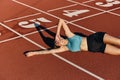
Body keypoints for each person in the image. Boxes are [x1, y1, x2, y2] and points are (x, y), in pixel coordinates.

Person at [24, 19, 120, 57]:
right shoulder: (66, 48)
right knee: (118, 52)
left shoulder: (70, 36)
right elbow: (48, 51)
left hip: (96, 38)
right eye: (57, 43)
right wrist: (33, 53)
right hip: (96, 48)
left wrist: (57, 34)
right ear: (59, 46)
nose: (59, 41)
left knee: (118, 41)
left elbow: (61, 21)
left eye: (58, 39)